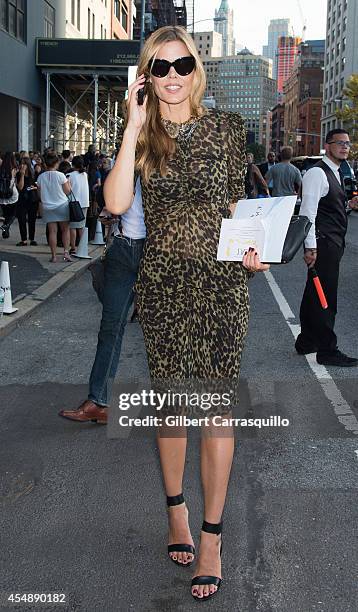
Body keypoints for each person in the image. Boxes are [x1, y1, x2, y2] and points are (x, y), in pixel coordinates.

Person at [104, 25, 269, 602]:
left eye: (180, 65)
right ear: (146, 77)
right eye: (159, 67)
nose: (171, 77)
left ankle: (212, 535)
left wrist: (255, 250)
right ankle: (176, 508)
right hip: (167, 285)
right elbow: (116, 202)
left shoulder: (227, 129)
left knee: (216, 411)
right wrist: (131, 126)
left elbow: (234, 204)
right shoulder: (144, 136)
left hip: (223, 285)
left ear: (195, 69)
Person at [59, 178, 146, 422]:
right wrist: (111, 213)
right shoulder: (128, 150)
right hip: (122, 247)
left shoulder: (172, 150)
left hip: (159, 252)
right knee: (110, 328)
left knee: (170, 333)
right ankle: (98, 400)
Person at [295, 128, 358, 366]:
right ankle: (327, 350)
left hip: (332, 243)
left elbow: (330, 208)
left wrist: (348, 203)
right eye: (339, 143)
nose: (344, 147)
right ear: (327, 145)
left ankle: (306, 341)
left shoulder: (336, 172)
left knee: (314, 292)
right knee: (325, 297)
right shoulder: (317, 173)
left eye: (347, 143)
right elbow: (307, 213)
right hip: (323, 244)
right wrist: (310, 247)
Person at [36, 153, 72, 262]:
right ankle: (66, 253)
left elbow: (39, 194)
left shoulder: (40, 177)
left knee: (52, 232)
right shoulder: (61, 175)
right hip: (62, 205)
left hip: (48, 207)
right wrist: (69, 184)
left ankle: (54, 256)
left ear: (46, 164)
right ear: (57, 163)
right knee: (65, 230)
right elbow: (68, 191)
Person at [68, 155, 89, 255]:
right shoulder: (85, 175)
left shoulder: (70, 175)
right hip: (85, 203)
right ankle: (82, 247)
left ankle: (73, 248)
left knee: (73, 226)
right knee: (81, 226)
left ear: (73, 164)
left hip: (74, 203)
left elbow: (67, 190)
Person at [15, 158, 39, 246]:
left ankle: (32, 238)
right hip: (22, 199)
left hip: (32, 199)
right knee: (22, 219)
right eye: (21, 164)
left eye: (24, 164)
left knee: (32, 220)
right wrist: (21, 175)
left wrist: (32, 187)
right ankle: (23, 239)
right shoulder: (18, 174)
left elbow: (37, 186)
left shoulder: (34, 173)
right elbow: (20, 187)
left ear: (28, 165)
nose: (22, 166)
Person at [0, 152, 19, 239]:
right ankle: (6, 226)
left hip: (1, 193)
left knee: (6, 213)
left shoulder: (1, 167)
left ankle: (5, 230)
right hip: (12, 193)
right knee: (13, 213)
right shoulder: (14, 168)